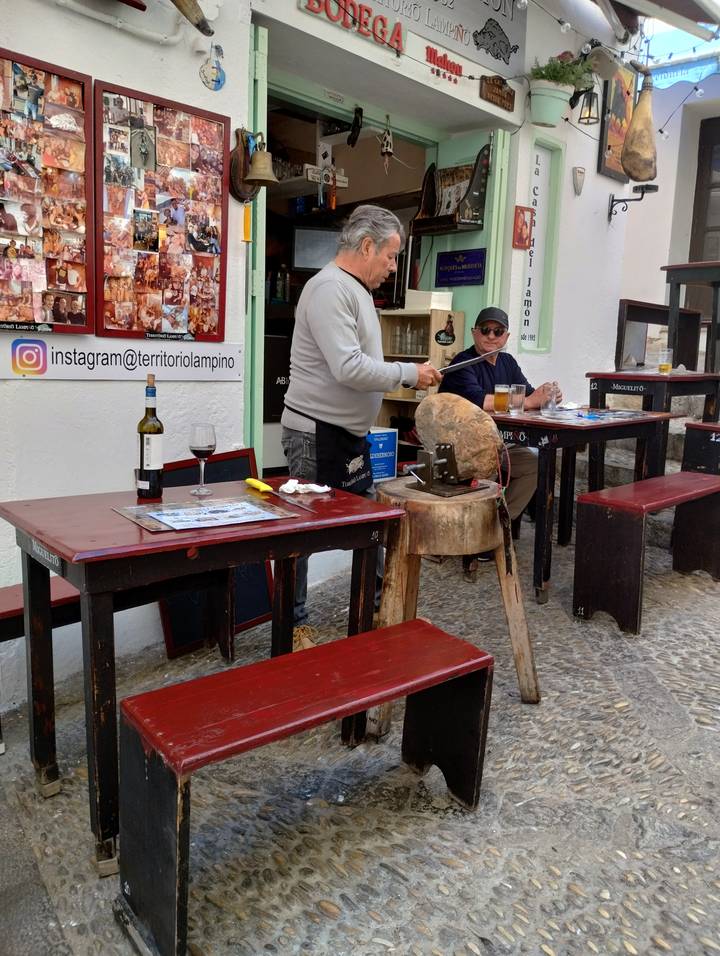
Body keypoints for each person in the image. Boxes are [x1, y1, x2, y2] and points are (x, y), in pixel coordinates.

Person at [281, 204, 442, 639]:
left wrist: (403, 372)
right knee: (305, 531)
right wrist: (410, 373)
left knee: (371, 524)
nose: (393, 267)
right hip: (315, 433)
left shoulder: (354, 290)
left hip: (346, 434)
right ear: (367, 246)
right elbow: (349, 368)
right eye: (390, 256)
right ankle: (293, 627)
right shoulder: (330, 288)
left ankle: (375, 613)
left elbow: (363, 364)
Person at [438, 306, 562, 570]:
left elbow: (528, 395)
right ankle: (479, 535)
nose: (491, 336)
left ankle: (495, 527)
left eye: (498, 331)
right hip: (462, 446)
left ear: (506, 336)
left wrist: (547, 394)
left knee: (535, 466)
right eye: (485, 330)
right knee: (492, 468)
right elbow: (480, 402)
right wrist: (530, 400)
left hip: (497, 443)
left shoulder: (507, 362)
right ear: (474, 333)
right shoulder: (463, 363)